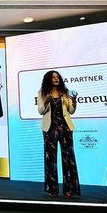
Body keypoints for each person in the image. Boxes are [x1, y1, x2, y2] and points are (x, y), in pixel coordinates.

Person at [37, 70, 80, 199]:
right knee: (50, 159)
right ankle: (53, 189)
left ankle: (69, 190)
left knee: (69, 159)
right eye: (53, 77)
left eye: (57, 77)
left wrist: (74, 101)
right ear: (48, 80)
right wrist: (46, 101)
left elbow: (71, 111)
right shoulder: (42, 93)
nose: (56, 79)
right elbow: (40, 111)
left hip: (65, 127)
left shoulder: (65, 92)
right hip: (50, 128)